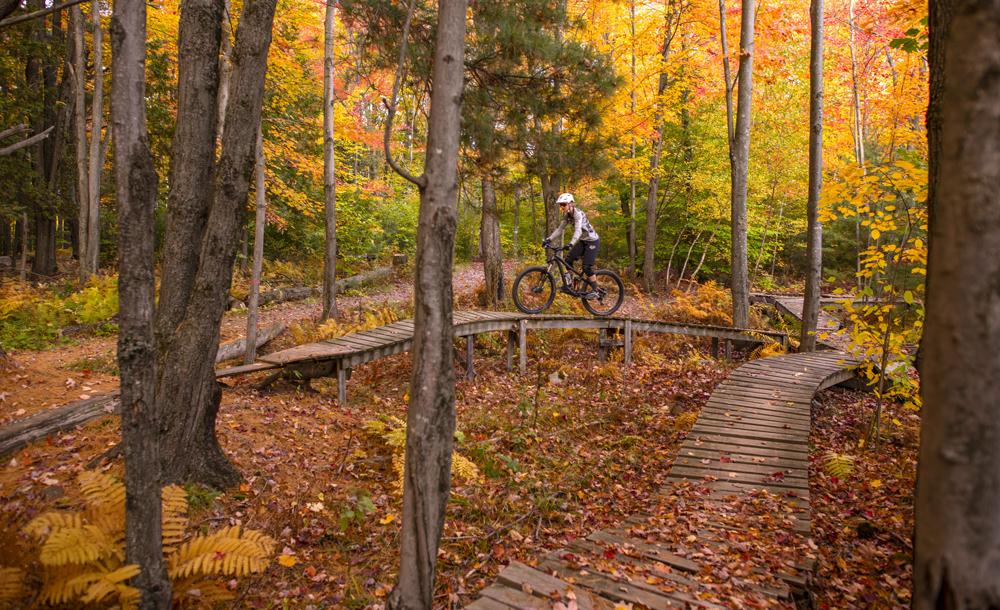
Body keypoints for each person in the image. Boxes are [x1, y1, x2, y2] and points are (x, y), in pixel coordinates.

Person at [543, 192, 600, 298]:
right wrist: (549, 239)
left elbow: (578, 230)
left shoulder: (578, 214)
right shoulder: (567, 216)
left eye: (564, 204)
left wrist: (571, 243)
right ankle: (569, 284)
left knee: (586, 267)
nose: (562, 207)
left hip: (592, 241)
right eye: (561, 205)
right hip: (583, 241)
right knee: (568, 260)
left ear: (571, 204)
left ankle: (596, 290)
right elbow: (560, 229)